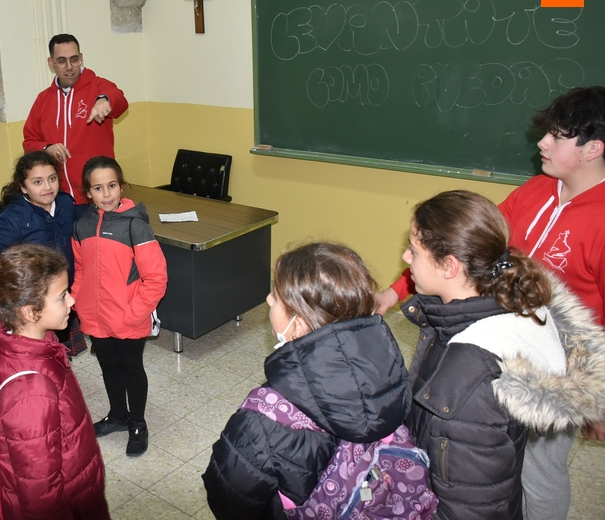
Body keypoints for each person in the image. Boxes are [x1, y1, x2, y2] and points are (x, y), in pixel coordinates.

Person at [375, 86, 605, 520]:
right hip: (497, 339)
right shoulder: (535, 190)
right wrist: (393, 292)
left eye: (557, 135)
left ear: (593, 148)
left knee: (539, 472)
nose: (542, 142)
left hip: (556, 369)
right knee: (491, 459)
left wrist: (597, 399)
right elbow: (463, 251)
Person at [401, 190, 605, 520]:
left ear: (449, 266)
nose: (406, 257)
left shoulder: (470, 373)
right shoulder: (502, 307)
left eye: (414, 249)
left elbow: (469, 506)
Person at [201, 243, 411, 520]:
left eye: (276, 297)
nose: (268, 299)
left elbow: (231, 500)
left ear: (297, 326)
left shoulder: (261, 421)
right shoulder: (393, 376)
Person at [0, 244, 110, 519]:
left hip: (75, 482)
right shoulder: (30, 392)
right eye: (62, 296)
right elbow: (40, 494)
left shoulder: (16, 345)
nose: (72, 301)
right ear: (31, 312)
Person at [71, 156, 167, 457]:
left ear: (121, 186)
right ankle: (118, 415)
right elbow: (81, 270)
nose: (106, 194)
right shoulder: (82, 226)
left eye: (112, 185)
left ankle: (137, 422)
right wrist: (79, 301)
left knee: (131, 368)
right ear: (88, 192)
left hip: (129, 317)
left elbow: (156, 278)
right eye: (98, 188)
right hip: (94, 317)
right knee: (109, 367)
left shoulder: (136, 226)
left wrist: (134, 313)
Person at [0, 152, 85, 355]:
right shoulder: (15, 218)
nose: (47, 187)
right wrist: (13, 290)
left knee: (60, 352)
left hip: (59, 295)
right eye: (37, 182)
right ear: (23, 187)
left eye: (52, 179)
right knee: (37, 353)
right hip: (33, 303)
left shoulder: (66, 203)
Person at [22, 33, 129, 215]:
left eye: (74, 59)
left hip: (96, 196)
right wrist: (46, 148)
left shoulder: (98, 86)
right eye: (61, 61)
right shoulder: (43, 99)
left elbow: (119, 100)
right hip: (58, 197)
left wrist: (105, 99)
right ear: (51, 63)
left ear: (81, 58)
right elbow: (29, 142)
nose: (69, 66)